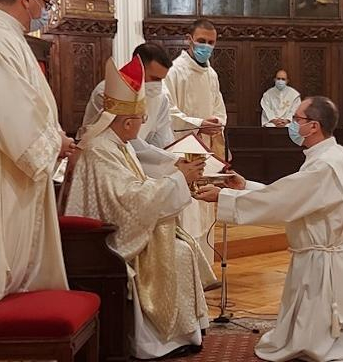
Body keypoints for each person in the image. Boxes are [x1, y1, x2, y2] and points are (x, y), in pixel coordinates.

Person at [195, 97, 343, 361]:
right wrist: (245, 187)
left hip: (322, 260)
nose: (292, 124)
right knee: (332, 324)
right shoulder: (332, 154)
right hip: (329, 255)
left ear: (313, 126)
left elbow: (284, 201)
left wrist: (223, 197)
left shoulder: (324, 165)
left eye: (297, 119)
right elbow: (294, 197)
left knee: (318, 340)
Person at [67, 57, 211, 359]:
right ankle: (159, 341)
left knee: (182, 247)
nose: (143, 125)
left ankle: (183, 331)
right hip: (106, 240)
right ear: (128, 121)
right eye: (141, 120)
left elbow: (137, 183)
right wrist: (177, 181)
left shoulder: (118, 143)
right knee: (179, 252)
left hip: (121, 227)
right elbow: (128, 199)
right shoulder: (101, 150)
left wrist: (177, 177)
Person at [0, 0, 73, 323]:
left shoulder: (6, 36)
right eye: (44, 3)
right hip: (0, 174)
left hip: (14, 172)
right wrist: (52, 144)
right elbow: (8, 112)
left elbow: (29, 104)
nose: (44, 13)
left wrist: (56, 136)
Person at [164, 18, 227, 265]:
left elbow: (220, 109)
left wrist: (217, 123)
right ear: (188, 40)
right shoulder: (174, 71)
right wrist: (199, 123)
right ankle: (189, 269)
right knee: (188, 212)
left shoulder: (211, 74)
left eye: (211, 43)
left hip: (206, 151)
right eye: (201, 41)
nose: (206, 46)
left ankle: (204, 271)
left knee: (203, 211)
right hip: (182, 152)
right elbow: (168, 113)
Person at [81, 42, 179, 178]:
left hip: (142, 163)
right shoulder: (109, 92)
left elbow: (161, 138)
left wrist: (169, 161)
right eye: (154, 78)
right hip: (107, 160)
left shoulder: (160, 97)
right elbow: (119, 136)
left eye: (161, 80)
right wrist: (169, 161)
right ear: (138, 68)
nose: (157, 85)